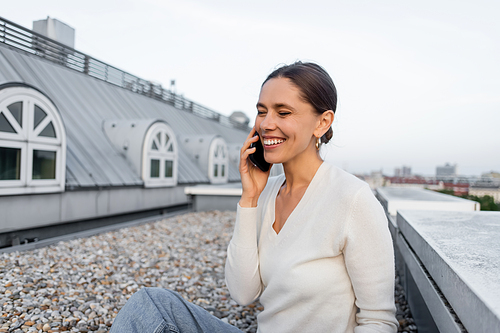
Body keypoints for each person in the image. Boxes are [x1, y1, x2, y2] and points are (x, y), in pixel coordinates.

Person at [110, 62, 397, 333]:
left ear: (322, 123)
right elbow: (243, 292)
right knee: (152, 303)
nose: (266, 124)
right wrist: (249, 198)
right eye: (262, 111)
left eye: (283, 113)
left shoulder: (352, 199)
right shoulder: (267, 193)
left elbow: (378, 320)